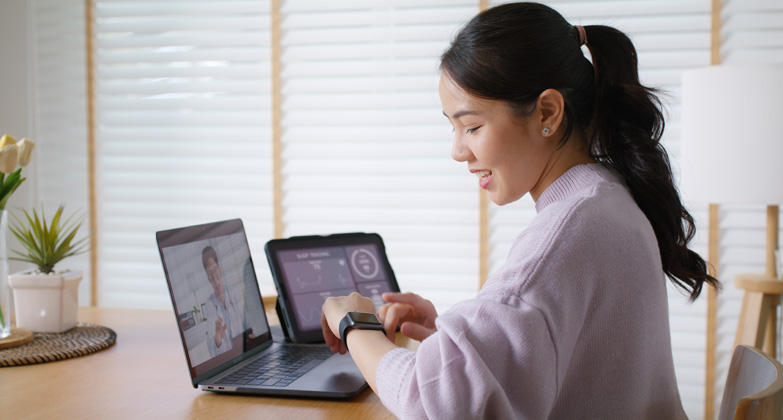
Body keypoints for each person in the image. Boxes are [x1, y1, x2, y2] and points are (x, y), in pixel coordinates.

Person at [320, 2, 719, 419]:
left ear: (547, 112)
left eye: (472, 126)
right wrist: (456, 344)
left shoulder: (568, 231)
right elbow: (579, 356)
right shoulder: (608, 196)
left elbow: (434, 404)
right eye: (452, 127)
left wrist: (357, 326)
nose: (458, 152)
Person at [201, 245, 248, 357]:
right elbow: (212, 351)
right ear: (208, 277)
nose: (214, 275)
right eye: (209, 272)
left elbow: (248, 328)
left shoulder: (235, 296)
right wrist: (218, 338)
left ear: (220, 270)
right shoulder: (208, 306)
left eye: (215, 270)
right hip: (226, 361)